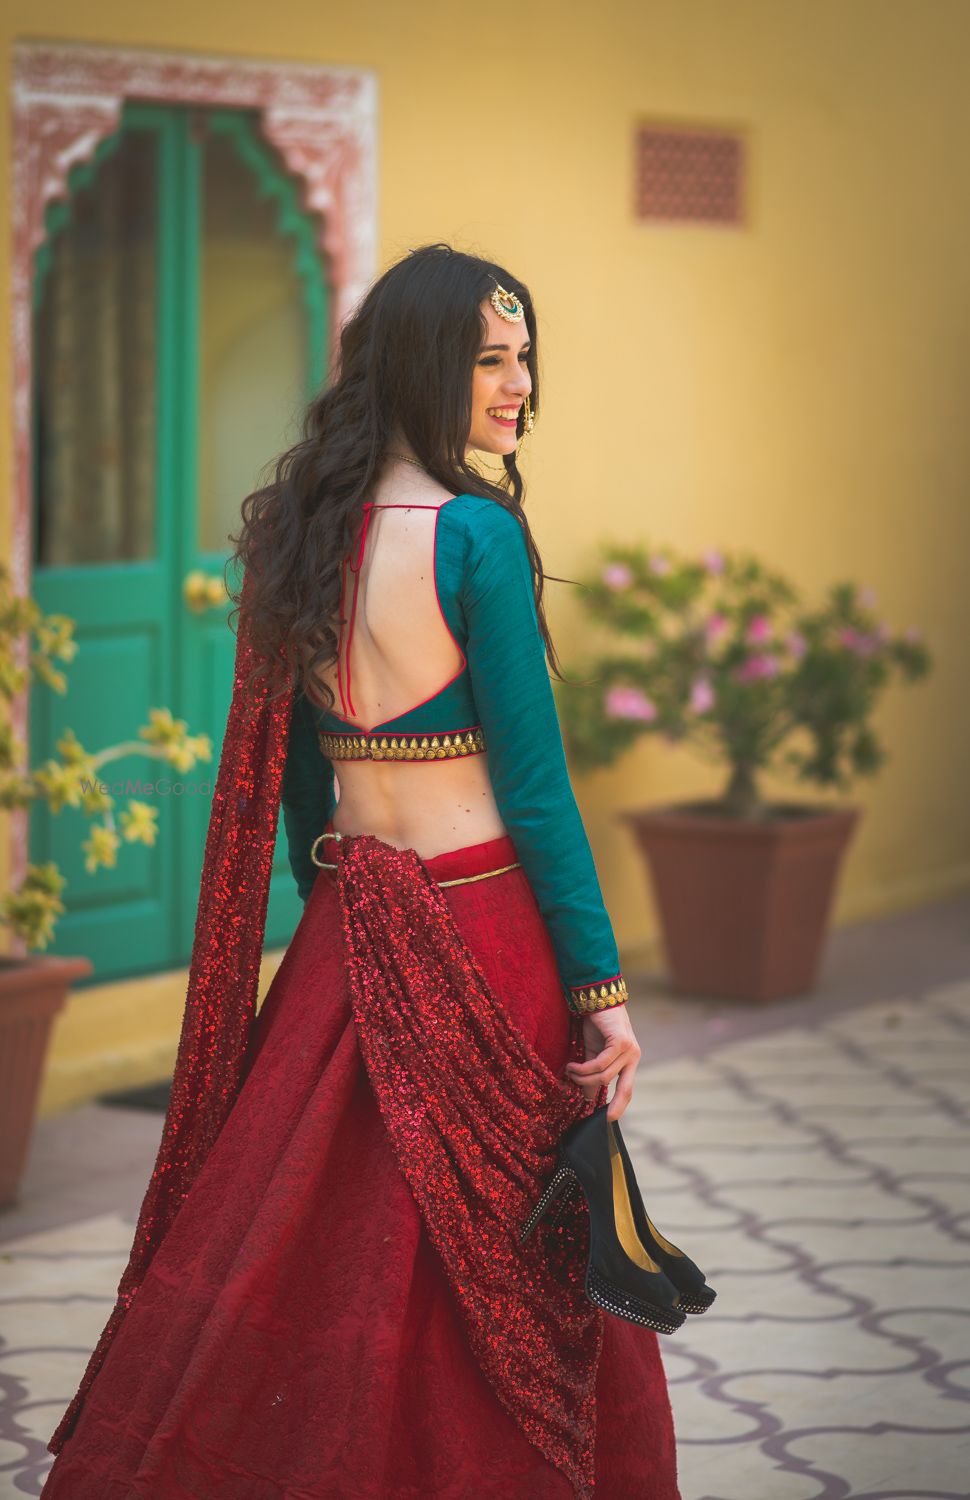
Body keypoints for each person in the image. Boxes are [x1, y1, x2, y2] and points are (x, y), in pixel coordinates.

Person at [40, 244, 680, 1498]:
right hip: (484, 927)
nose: (518, 384)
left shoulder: (300, 532)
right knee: (498, 1250)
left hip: (350, 924)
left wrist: (341, 916)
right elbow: (537, 791)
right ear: (423, 367)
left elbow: (289, 787)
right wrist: (600, 982)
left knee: (311, 1238)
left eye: (524, 357)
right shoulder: (478, 538)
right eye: (489, 360)